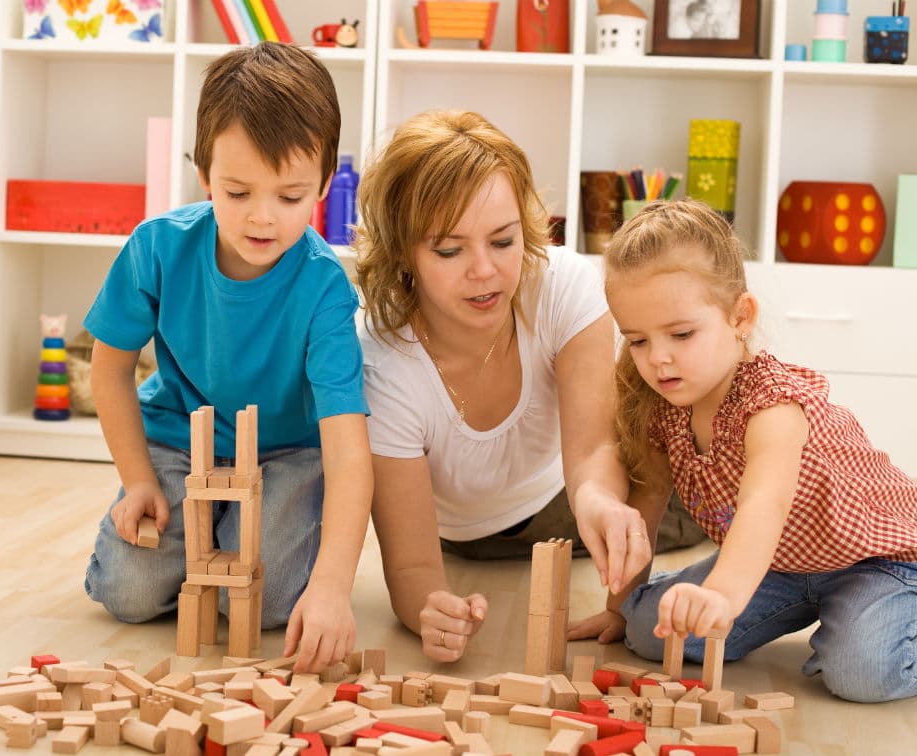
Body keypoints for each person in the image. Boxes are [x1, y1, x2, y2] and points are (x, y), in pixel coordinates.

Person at [353, 109, 702, 663]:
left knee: (717, 486)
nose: (484, 271)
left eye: (503, 241)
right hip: (465, 537)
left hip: (570, 496)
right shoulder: (381, 358)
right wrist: (430, 608)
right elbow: (412, 567)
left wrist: (602, 505)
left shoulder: (562, 285)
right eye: (449, 250)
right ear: (403, 254)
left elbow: (593, 451)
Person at [82, 43, 372, 673]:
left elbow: (349, 451)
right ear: (204, 173)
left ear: (325, 184)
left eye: (291, 198)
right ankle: (196, 529)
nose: (262, 218)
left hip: (287, 452)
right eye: (238, 192)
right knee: (127, 595)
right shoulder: (156, 247)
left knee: (274, 603)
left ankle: (219, 532)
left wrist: (331, 589)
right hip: (178, 438)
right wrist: (138, 480)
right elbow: (109, 369)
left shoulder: (325, 288)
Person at [575, 199, 917, 702]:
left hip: (876, 560)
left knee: (859, 672)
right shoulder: (663, 405)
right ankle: (812, 612)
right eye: (638, 341)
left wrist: (720, 595)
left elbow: (765, 505)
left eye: (681, 334)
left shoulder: (773, 404)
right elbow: (643, 510)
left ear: (740, 316)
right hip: (778, 568)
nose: (659, 358)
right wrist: (617, 607)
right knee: (648, 630)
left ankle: (878, 618)